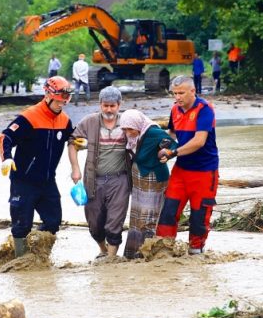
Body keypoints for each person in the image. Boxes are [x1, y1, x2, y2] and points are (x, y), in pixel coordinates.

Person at [0, 76, 75, 258]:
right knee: (21, 225)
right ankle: (19, 262)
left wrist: (79, 141)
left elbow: (73, 138)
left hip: (48, 181)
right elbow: (6, 137)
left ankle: (38, 258)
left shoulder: (64, 121)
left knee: (53, 221)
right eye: (58, 101)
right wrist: (7, 158)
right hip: (23, 180)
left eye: (64, 101)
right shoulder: (29, 117)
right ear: (48, 95)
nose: (61, 105)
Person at [156, 76, 219, 255]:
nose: (178, 97)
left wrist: (173, 153)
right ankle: (163, 251)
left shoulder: (204, 109)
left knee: (199, 217)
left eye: (181, 93)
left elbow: (199, 141)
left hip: (205, 171)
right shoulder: (175, 109)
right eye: (175, 93)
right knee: (168, 211)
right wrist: (162, 146)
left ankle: (196, 252)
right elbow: (172, 135)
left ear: (193, 91)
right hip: (181, 171)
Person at [68, 87, 131, 259]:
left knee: (115, 221)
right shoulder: (90, 122)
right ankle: (103, 250)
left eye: (112, 106)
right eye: (105, 106)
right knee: (95, 223)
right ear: (100, 105)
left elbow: (145, 134)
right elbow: (72, 143)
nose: (109, 110)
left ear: (119, 105)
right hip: (93, 180)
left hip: (120, 180)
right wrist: (75, 168)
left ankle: (111, 259)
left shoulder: (127, 121)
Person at [118, 109, 177, 259]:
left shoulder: (152, 132)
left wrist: (167, 154)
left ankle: (147, 254)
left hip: (153, 177)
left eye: (130, 129)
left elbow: (174, 145)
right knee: (137, 217)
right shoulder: (134, 135)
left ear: (138, 125)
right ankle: (133, 253)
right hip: (139, 176)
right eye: (124, 129)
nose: (128, 132)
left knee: (149, 217)